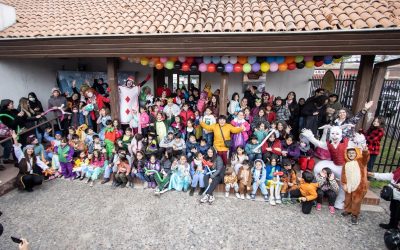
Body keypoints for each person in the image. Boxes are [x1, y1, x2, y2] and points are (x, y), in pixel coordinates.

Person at [341, 145, 369, 225]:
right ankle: (348, 210)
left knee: (356, 201)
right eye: (349, 153)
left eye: (353, 153)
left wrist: (365, 152)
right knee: (348, 199)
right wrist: (344, 184)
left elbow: (365, 158)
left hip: (359, 186)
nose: (351, 154)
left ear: (356, 153)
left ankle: (354, 214)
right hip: (349, 185)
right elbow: (343, 175)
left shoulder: (360, 162)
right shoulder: (346, 164)